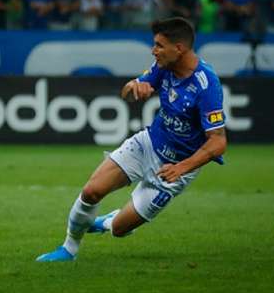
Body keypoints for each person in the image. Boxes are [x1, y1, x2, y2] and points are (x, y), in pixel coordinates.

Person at [37, 17, 227, 262]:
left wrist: (181, 168)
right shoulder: (163, 65)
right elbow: (127, 93)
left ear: (178, 48)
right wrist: (134, 87)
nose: (153, 50)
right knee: (92, 191)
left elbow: (218, 141)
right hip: (148, 144)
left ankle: (109, 221)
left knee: (119, 230)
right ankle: (68, 249)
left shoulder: (206, 84)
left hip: (175, 169)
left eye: (159, 45)